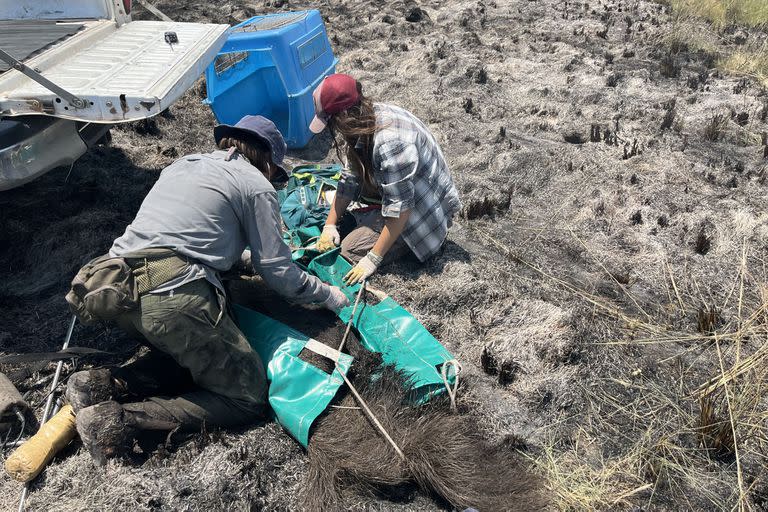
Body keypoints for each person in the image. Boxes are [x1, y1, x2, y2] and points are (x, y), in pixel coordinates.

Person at [67, 115, 349, 465]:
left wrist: (242, 259)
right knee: (247, 394)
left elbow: (185, 234)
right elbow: (278, 272)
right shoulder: (255, 184)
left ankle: (100, 385)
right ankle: (121, 422)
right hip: (172, 300)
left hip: (117, 290)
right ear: (267, 160)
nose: (274, 181)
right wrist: (325, 294)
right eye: (276, 174)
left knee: (192, 355)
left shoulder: (184, 164)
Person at [309, 73, 461, 285]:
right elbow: (350, 176)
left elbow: (401, 209)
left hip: (422, 218)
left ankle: (401, 245)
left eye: (331, 122)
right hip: (407, 196)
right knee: (344, 229)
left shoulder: (390, 143)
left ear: (343, 117)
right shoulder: (367, 116)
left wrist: (372, 258)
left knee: (347, 251)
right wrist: (330, 225)